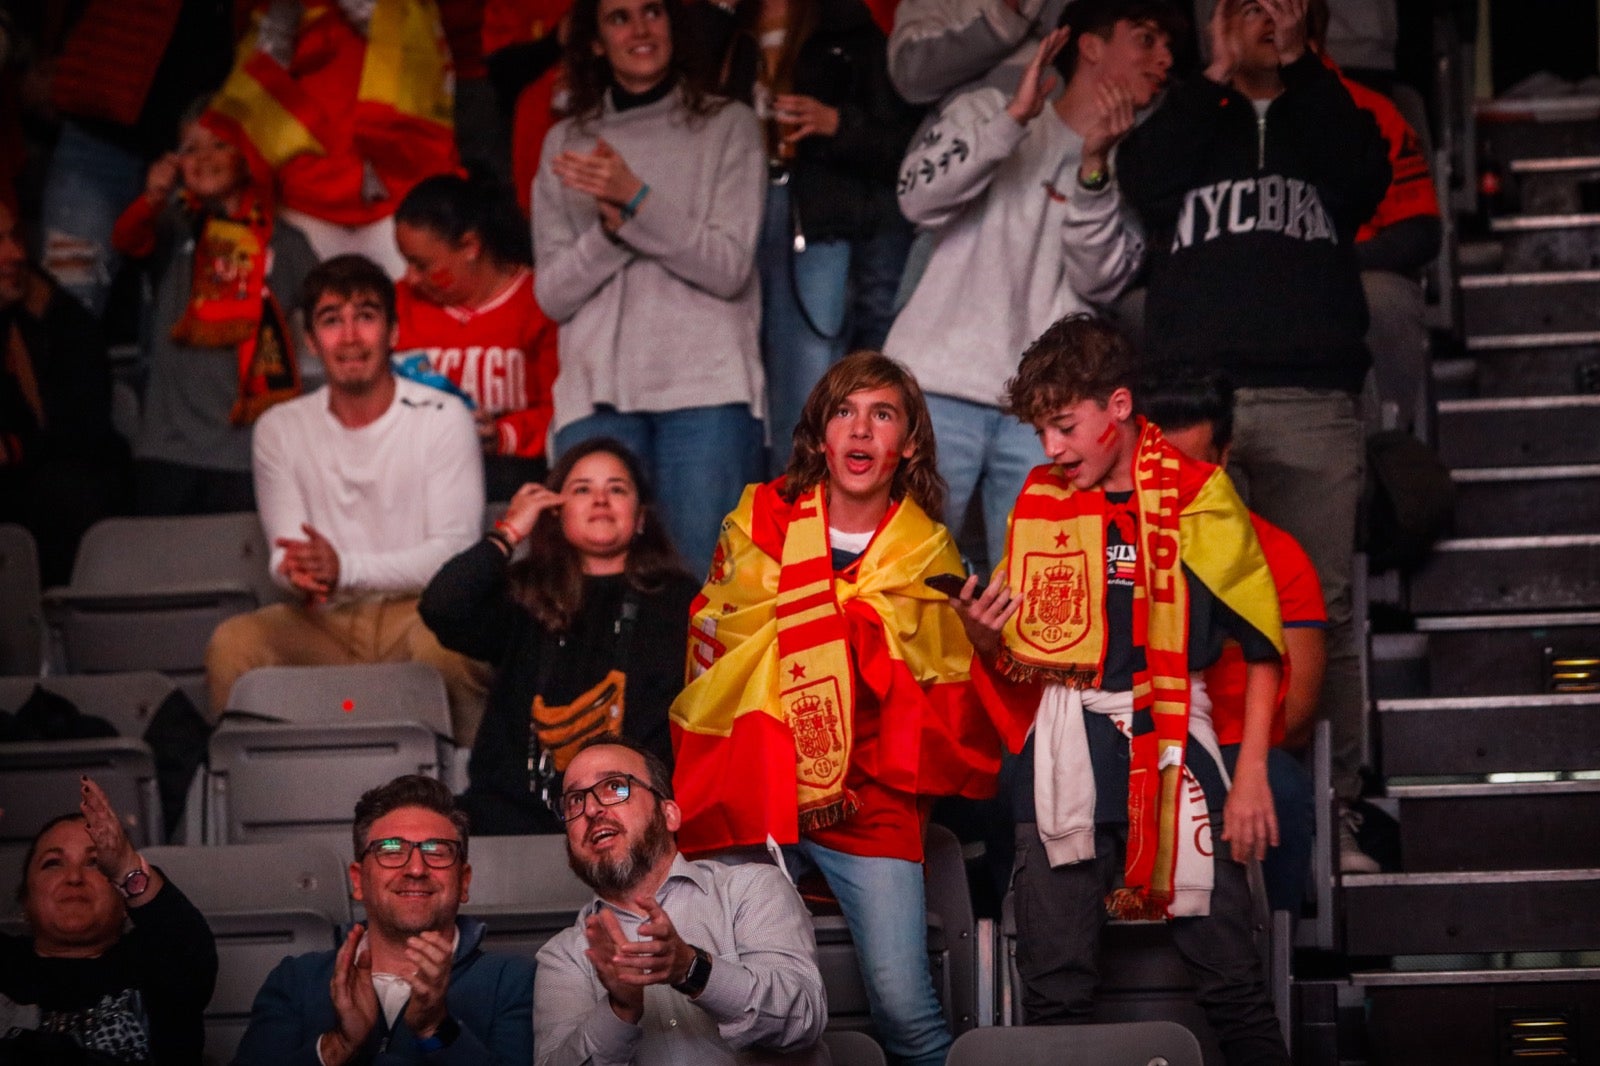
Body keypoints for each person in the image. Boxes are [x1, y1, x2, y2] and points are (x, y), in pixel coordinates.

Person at [957, 313, 1289, 1063]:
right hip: (1066, 748)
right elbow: (1024, 657)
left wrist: (1252, 778)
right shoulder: (1041, 500)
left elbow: (1264, 645)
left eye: (1064, 427)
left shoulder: (1201, 495)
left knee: (1234, 984)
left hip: (1175, 746)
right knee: (1054, 993)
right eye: (1039, 431)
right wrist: (983, 635)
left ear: (1118, 405)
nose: (1049, 450)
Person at [1117, 0, 1389, 874]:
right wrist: (1218, 74)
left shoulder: (1330, 105)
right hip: (1194, 402)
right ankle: (1167, 802)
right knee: (1171, 607)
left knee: (1326, 615)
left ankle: (1335, 813)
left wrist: (1300, 62)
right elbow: (1143, 181)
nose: (1261, 12)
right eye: (1242, 1)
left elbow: (1363, 179)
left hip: (1311, 393)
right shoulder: (1193, 113)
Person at [671, 351, 1002, 1066]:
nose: (860, 429)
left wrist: (979, 644)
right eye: (844, 412)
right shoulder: (759, 517)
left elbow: (942, 700)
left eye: (881, 414)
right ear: (821, 435)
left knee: (908, 1014)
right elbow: (718, 641)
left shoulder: (931, 553)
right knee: (726, 997)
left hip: (871, 803)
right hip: (761, 787)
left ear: (907, 444)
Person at [885, 0, 1176, 573]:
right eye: (1146, 39)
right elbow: (915, 198)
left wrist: (1094, 172)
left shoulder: (1136, 162)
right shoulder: (994, 105)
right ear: (1090, 45)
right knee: (905, 589)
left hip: (1044, 414)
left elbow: (1104, 280)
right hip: (935, 388)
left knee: (1036, 603)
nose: (1164, 59)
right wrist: (1009, 123)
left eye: (1169, 48)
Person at [203, 254, 490, 743]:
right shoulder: (280, 427)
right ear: (311, 342)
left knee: (453, 647)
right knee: (234, 643)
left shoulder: (443, 416)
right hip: (323, 619)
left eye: (366, 315)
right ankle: (245, 803)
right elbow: (286, 554)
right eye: (332, 320)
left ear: (393, 332)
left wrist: (344, 568)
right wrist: (297, 572)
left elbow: (455, 554)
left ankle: (473, 796)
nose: (351, 336)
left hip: (419, 612)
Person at [532, 0, 766, 572]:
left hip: (706, 392)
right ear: (594, 41)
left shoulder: (728, 124)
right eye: (618, 17)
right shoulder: (566, 139)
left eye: (652, 11)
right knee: (590, 595)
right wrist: (613, 233)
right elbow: (553, 294)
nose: (639, 28)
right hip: (597, 395)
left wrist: (636, 200)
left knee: (706, 593)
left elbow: (729, 267)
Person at [420, 437, 700, 835]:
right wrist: (511, 530)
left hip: (633, 820)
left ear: (640, 518)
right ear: (555, 512)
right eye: (582, 489)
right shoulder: (523, 592)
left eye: (616, 489)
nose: (600, 500)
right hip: (514, 813)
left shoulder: (679, 599)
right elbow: (442, 606)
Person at [686, 0, 922, 472]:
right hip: (730, 211)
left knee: (807, 378)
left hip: (813, 218)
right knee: (727, 377)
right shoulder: (722, 25)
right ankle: (762, 516)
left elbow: (902, 146)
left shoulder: (847, 24)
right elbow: (684, 101)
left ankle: (805, 512)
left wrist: (836, 124)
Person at [1138, 364, 1326, 915]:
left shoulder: (1277, 554)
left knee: (1284, 790)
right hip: (1125, 738)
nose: (1176, 483)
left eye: (1191, 466)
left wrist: (1231, 763)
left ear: (1224, 458)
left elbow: (1298, 713)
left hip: (1231, 747)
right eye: (1159, 466)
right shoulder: (1103, 540)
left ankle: (1273, 966)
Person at [534, 736, 828, 1065]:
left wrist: (692, 969)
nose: (590, 809)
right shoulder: (563, 956)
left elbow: (801, 1020)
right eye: (574, 800)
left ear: (669, 814)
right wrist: (620, 1010)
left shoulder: (751, 889)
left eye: (615, 787)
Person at [233, 775, 534, 1065]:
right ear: (358, 880)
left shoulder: (512, 982)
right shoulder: (296, 980)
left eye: (437, 852)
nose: (416, 869)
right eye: (391, 850)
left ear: (464, 881)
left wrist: (436, 1030)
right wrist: (339, 1046)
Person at [112, 102, 317, 517]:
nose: (203, 159)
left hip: (254, 453)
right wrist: (154, 194)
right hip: (169, 452)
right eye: (189, 149)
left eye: (219, 145)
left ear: (248, 153)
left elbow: (323, 322)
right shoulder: (172, 226)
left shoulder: (288, 243)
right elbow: (127, 240)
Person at [209, 0, 459, 277]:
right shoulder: (279, 10)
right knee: (307, 314)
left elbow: (421, 66)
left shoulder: (407, 8)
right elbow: (257, 85)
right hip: (305, 199)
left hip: (396, 196)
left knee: (411, 313)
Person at [0, 777, 217, 1065]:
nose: (74, 877)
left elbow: (192, 953)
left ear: (123, 895)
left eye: (95, 863)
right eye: (53, 863)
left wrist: (127, 866)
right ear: (25, 901)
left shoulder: (152, 962)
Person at [393, 172, 559, 502]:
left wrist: (500, 436)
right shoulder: (397, 303)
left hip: (514, 479)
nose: (410, 278)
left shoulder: (540, 299)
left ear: (470, 246)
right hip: (411, 478)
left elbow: (562, 408)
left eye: (421, 265)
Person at [0, 199, 130, 587]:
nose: (16, 254)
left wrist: (14, 447)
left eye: (14, 237)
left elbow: (81, 431)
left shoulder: (57, 320)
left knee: (68, 491)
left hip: (61, 493)